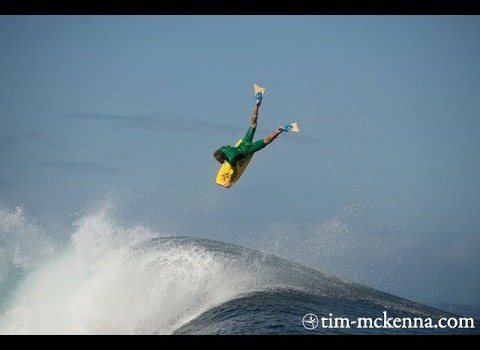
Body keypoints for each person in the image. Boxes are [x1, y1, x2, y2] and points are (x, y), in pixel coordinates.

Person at [213, 88, 290, 188]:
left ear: (223, 158)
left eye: (220, 161)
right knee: (253, 124)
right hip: (244, 142)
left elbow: (235, 171)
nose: (220, 163)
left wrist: (229, 181)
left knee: (266, 141)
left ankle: (280, 129)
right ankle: (257, 102)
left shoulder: (231, 160)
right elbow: (229, 148)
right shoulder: (223, 148)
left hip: (247, 149)